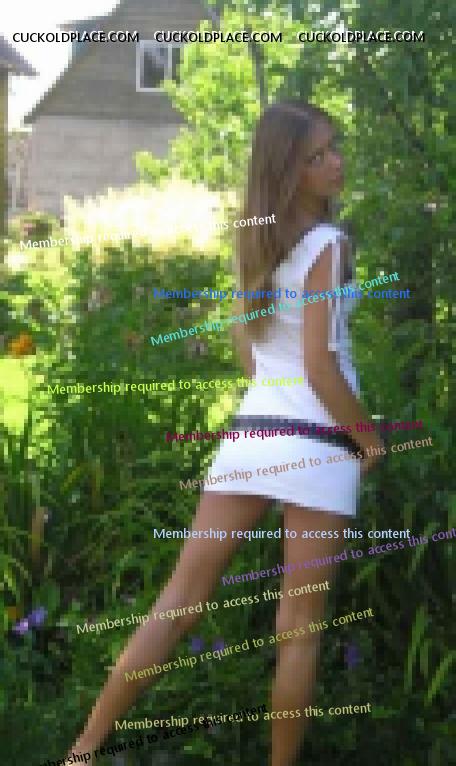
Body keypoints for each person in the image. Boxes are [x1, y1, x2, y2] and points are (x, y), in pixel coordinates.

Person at [70, 101, 384, 766]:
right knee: (298, 630)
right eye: (317, 156)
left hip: (254, 434)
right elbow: (320, 364)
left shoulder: (257, 242)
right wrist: (370, 439)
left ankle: (83, 750)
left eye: (333, 148)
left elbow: (248, 348)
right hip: (320, 441)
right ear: (288, 170)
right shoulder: (328, 245)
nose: (335, 163)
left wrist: (273, 396)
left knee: (178, 604)